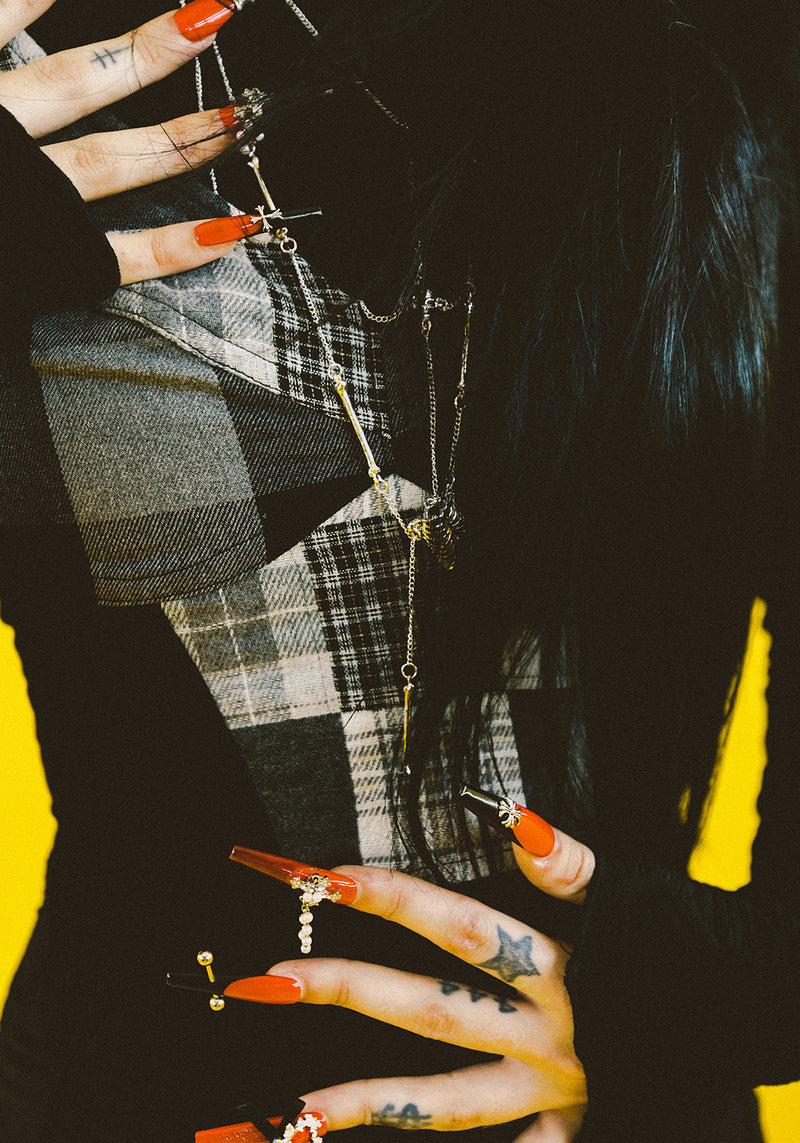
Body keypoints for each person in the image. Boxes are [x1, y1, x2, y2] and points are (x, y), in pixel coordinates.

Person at [0, 2, 798, 1141]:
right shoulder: (41, 43)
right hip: (132, 1087)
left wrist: (721, 1004)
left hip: (614, 1108)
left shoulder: (739, 50)